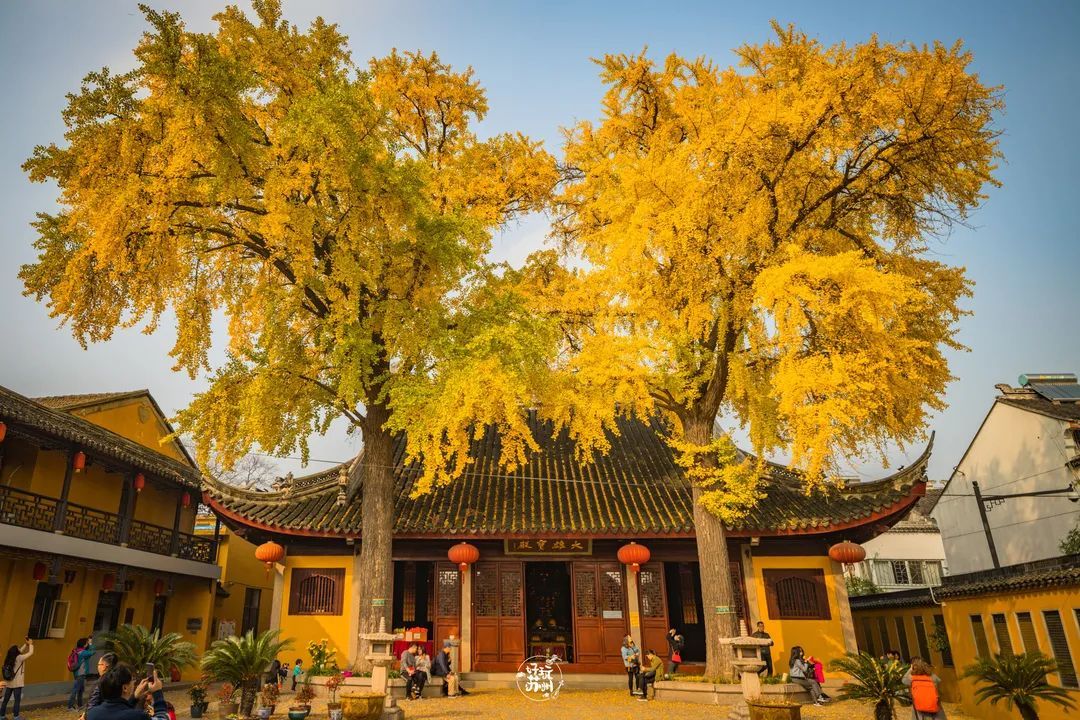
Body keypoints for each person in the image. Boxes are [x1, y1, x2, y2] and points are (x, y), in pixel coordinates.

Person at [87, 665, 168, 720]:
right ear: (125, 688)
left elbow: (118, 710)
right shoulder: (137, 716)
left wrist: (134, 697)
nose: (134, 683)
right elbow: (162, 718)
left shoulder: (92, 713)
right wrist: (157, 693)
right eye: (132, 680)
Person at [1, 638, 33, 720]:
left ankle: (1, 716)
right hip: (17, 683)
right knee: (17, 700)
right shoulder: (19, 658)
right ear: (16, 651)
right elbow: (30, 653)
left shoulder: (8, 658)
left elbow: (20, 651)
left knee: (5, 700)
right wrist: (30, 644)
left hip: (9, 682)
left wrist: (25, 644)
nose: (19, 648)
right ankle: (16, 717)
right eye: (18, 647)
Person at [68, 638, 96, 710]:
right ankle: (70, 706)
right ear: (84, 645)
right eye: (86, 643)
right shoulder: (83, 653)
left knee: (80, 690)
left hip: (77, 673)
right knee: (75, 690)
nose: (87, 644)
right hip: (80, 674)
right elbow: (93, 652)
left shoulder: (77, 651)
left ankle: (80, 705)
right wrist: (90, 644)